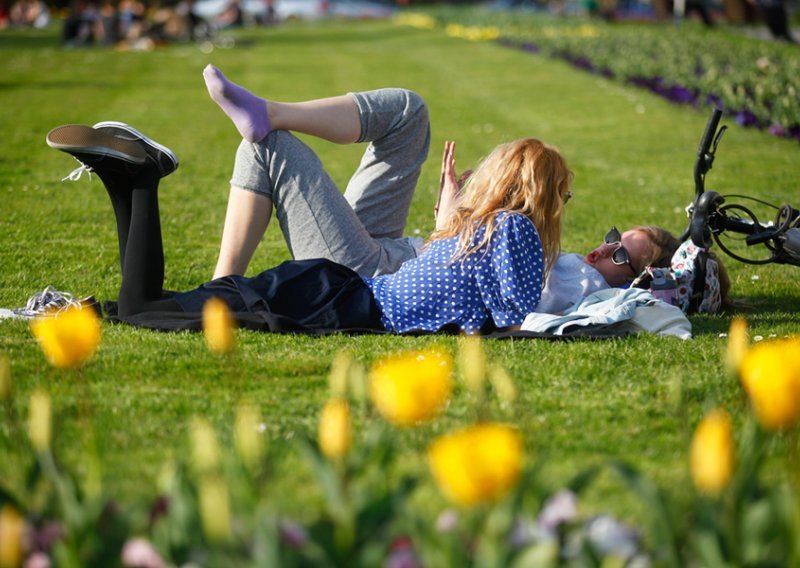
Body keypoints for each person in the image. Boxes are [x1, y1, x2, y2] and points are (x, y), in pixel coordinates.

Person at [45, 101, 572, 333]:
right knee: (144, 309)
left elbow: (463, 294)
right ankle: (138, 179)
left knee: (150, 308)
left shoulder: (482, 230)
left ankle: (125, 177)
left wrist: (450, 219)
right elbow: (515, 315)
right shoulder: (515, 230)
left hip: (332, 286)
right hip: (342, 298)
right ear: (539, 196)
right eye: (562, 197)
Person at [199, 66, 678, 318]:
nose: (604, 248)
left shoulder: (589, 294)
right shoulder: (575, 265)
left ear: (641, 279)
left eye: (620, 256)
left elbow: (490, 294)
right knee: (410, 112)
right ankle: (273, 109)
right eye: (616, 237)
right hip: (396, 248)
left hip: (366, 277)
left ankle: (218, 291)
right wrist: (462, 211)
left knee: (268, 148)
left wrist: (451, 223)